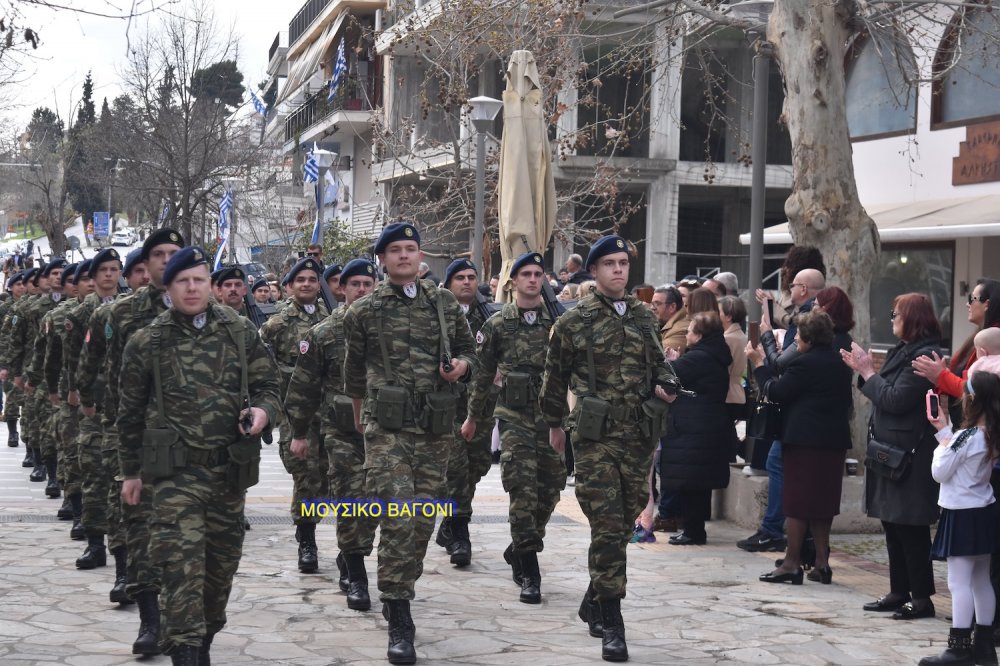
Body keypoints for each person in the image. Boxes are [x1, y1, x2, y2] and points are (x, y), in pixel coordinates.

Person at [118, 246, 280, 666]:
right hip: (174, 479)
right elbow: (129, 415)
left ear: (210, 284)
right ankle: (188, 652)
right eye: (182, 281)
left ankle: (200, 641)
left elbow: (269, 386)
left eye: (199, 280)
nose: (191, 288)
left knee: (218, 578)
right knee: (180, 574)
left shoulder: (239, 332)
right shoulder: (147, 342)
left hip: (228, 476)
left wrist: (263, 413)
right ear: (168, 288)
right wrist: (130, 473)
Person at [342, 222, 477, 665]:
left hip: (435, 429)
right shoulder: (364, 311)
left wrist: (461, 367)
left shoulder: (443, 303)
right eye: (395, 250)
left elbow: (470, 353)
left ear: (421, 257)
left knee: (421, 521)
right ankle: (399, 613)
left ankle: (399, 587)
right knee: (400, 516)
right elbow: (353, 375)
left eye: (411, 248)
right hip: (388, 430)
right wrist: (360, 420)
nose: (404, 255)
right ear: (382, 259)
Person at [540, 235, 678, 662]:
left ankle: (594, 597)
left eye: (623, 263)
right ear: (595, 271)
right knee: (605, 524)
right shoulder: (573, 321)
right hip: (595, 437)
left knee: (623, 522)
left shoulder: (643, 316)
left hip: (637, 435)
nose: (619, 270)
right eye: (610, 264)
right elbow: (554, 378)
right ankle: (613, 622)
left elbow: (660, 364)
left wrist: (668, 384)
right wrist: (554, 426)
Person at [78, 229, 185, 655]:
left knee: (187, 537)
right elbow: (96, 368)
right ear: (145, 264)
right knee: (139, 528)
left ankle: (185, 620)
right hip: (138, 439)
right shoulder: (120, 315)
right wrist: (97, 410)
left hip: (193, 443)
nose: (166, 260)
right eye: (158, 254)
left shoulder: (208, 312)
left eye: (174, 253)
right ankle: (150, 621)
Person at [465, 252, 564, 604]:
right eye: (526, 274)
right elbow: (481, 377)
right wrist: (473, 417)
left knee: (550, 490)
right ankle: (529, 569)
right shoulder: (497, 325)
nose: (533, 279)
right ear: (513, 281)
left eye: (538, 274)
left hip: (551, 419)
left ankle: (519, 546)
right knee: (522, 490)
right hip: (514, 418)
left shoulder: (558, 323)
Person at [287, 258, 380, 612]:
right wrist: (299, 432)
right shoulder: (324, 333)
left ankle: (349, 553)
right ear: (342, 289)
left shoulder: (389, 329)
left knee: (374, 506)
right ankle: (356, 574)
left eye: (367, 284)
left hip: (383, 432)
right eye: (354, 284)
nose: (361, 290)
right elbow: (303, 387)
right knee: (350, 499)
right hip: (340, 433)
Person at [842, 293, 942, 620]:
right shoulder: (904, 350)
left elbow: (896, 399)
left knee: (910, 527)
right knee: (893, 524)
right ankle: (899, 591)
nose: (892, 319)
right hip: (891, 450)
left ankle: (922, 599)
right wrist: (867, 372)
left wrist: (868, 371)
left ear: (912, 318)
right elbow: (885, 390)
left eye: (896, 314)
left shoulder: (924, 355)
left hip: (911, 453)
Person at [750, 310, 853, 585]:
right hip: (833, 442)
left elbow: (776, 392)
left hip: (804, 442)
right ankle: (822, 563)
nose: (796, 341)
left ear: (808, 338)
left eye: (798, 337)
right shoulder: (839, 363)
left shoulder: (804, 364)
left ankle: (791, 563)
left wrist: (759, 365)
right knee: (822, 503)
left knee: (797, 502)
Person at [737, 268, 826, 550]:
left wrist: (765, 342)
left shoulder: (809, 321)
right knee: (778, 463)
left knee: (778, 463)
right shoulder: (805, 318)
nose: (790, 289)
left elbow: (781, 363)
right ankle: (779, 530)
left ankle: (775, 529)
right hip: (798, 408)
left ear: (805, 289)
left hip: (798, 410)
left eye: (794, 285)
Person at [259, 257, 329, 574]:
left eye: (312, 280)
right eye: (300, 280)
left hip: (327, 411)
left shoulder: (330, 317)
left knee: (325, 478)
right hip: (294, 412)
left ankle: (306, 525)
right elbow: (261, 366)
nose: (307, 284)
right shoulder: (277, 324)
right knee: (305, 474)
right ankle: (307, 541)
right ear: (288, 286)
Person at [436, 258, 495, 567]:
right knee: (456, 469)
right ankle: (460, 531)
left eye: (472, 277)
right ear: (448, 284)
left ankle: (449, 523)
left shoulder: (488, 317)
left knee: (476, 466)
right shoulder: (438, 315)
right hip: (448, 406)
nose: (467, 282)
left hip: (481, 406)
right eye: (460, 277)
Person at [661, 311, 732, 546]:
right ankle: (694, 529)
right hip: (706, 424)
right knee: (698, 483)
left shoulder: (699, 357)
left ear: (700, 336)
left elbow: (669, 376)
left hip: (694, 427)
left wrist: (670, 362)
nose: (686, 334)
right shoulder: (713, 354)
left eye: (690, 331)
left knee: (691, 482)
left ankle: (693, 531)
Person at [913, 278, 1000, 424]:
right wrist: (940, 374)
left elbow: (977, 390)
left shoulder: (994, 342)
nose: (967, 304)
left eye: (972, 299)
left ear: (987, 304)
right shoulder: (981, 337)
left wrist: (941, 376)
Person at [719, 295, 748, 457]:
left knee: (725, 435)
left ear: (728, 316)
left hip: (727, 392)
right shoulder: (741, 336)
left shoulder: (727, 339)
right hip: (736, 391)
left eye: (719, 312)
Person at [652, 286, 688, 355]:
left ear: (672, 307)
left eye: (657, 304)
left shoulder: (682, 330)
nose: (652, 308)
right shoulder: (662, 323)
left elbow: (657, 354)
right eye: (652, 304)